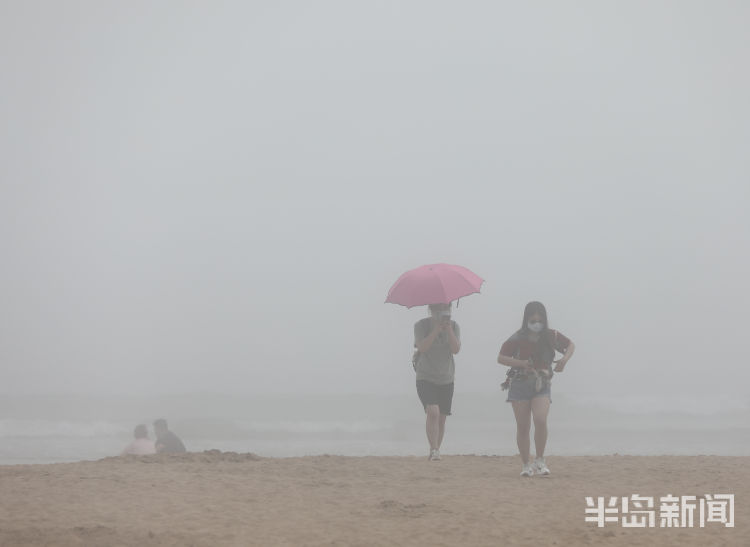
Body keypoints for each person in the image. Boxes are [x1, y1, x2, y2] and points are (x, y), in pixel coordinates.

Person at [497, 301, 575, 477]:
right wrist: (521, 363)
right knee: (523, 426)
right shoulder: (518, 337)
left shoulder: (551, 335)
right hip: (519, 384)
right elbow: (501, 357)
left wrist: (564, 361)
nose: (536, 323)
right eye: (532, 320)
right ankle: (526, 464)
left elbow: (571, 345)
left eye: (539, 320)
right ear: (526, 320)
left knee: (540, 419)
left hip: (542, 383)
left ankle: (540, 460)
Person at [413, 302, 461, 461]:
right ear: (431, 309)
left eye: (446, 308)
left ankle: (436, 450)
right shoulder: (421, 325)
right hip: (425, 376)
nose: (442, 311)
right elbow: (422, 347)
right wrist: (435, 330)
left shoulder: (454, 326)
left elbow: (456, 349)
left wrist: (448, 330)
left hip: (446, 377)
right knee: (432, 412)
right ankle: (434, 449)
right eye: (438, 308)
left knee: (441, 417)